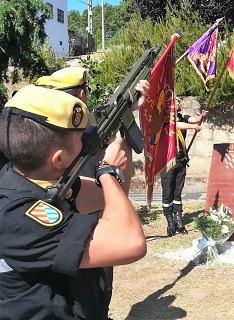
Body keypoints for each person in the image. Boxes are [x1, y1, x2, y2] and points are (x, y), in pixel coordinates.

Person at [0, 85, 147, 319]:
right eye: (82, 138)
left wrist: (123, 132)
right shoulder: (19, 215)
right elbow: (130, 242)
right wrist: (106, 171)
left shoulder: (39, 180)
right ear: (58, 158)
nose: (88, 141)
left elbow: (109, 200)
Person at [161, 99, 208, 237]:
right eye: (176, 100)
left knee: (177, 192)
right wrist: (193, 127)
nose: (179, 102)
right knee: (167, 192)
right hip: (167, 162)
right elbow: (175, 126)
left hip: (181, 159)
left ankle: (179, 221)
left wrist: (202, 117)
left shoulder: (182, 117)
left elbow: (194, 119)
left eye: (180, 100)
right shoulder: (165, 119)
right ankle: (170, 223)